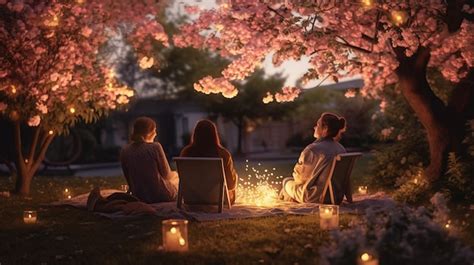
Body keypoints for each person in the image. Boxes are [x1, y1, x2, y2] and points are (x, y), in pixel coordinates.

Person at [87, 117, 178, 213]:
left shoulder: (125, 150)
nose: (156, 134)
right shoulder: (155, 147)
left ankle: (101, 203)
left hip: (139, 196)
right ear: (150, 132)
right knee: (176, 179)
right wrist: (175, 174)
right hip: (162, 196)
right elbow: (166, 175)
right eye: (155, 130)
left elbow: (129, 180)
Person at [280, 112, 348, 204]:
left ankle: (285, 202)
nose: (314, 127)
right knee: (292, 186)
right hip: (335, 196)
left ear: (325, 129)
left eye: (318, 125)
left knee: (287, 181)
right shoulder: (341, 148)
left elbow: (300, 178)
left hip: (315, 196)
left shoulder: (313, 149)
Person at [180, 119, 238, 204]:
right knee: (233, 177)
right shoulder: (223, 154)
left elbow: (183, 180)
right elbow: (230, 186)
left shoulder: (186, 152)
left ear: (195, 134)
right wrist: (235, 176)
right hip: (219, 199)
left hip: (192, 199)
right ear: (215, 134)